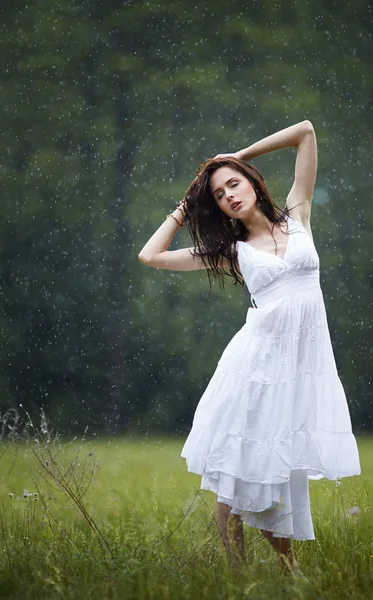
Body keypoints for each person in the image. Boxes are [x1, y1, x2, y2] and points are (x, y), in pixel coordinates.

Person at [138, 121, 360, 576]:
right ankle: (238, 575)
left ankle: (289, 568)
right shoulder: (231, 251)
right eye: (219, 195)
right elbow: (151, 255)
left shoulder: (298, 216)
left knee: (280, 471)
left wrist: (237, 156)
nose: (229, 196)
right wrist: (185, 204)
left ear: (252, 181)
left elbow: (306, 132)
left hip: (298, 372)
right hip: (254, 369)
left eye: (234, 184)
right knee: (237, 472)